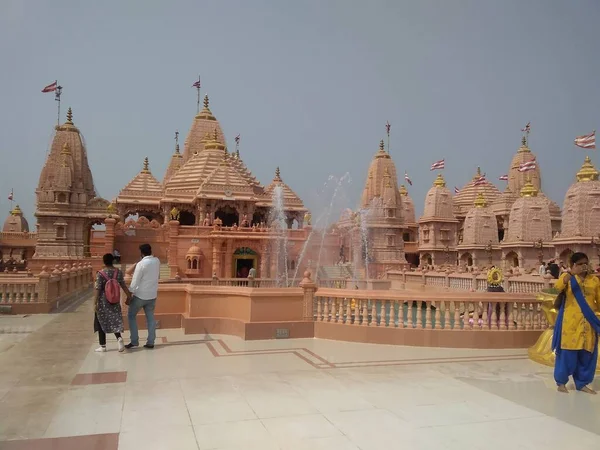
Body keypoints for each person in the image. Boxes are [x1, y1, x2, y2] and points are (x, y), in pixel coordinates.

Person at [552, 252, 600, 394]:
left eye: (585, 262)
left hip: (588, 323)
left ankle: (582, 383)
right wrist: (571, 275)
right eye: (579, 264)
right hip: (571, 324)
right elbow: (556, 288)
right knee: (568, 354)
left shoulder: (594, 281)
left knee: (587, 355)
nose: (583, 266)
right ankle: (561, 382)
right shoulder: (567, 278)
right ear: (573, 265)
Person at [125, 243, 161, 349]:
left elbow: (135, 281)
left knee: (131, 316)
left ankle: (134, 341)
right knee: (150, 318)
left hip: (140, 295)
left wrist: (129, 295)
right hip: (152, 295)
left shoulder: (141, 264)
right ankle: (151, 342)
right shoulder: (157, 261)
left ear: (141, 253)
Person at [94, 253, 132, 353]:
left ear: (104, 261)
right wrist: (129, 296)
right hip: (114, 301)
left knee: (100, 321)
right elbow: (123, 285)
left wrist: (95, 302)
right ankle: (119, 338)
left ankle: (103, 346)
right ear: (113, 261)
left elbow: (97, 289)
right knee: (114, 319)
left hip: (103, 302)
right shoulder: (117, 272)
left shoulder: (101, 273)